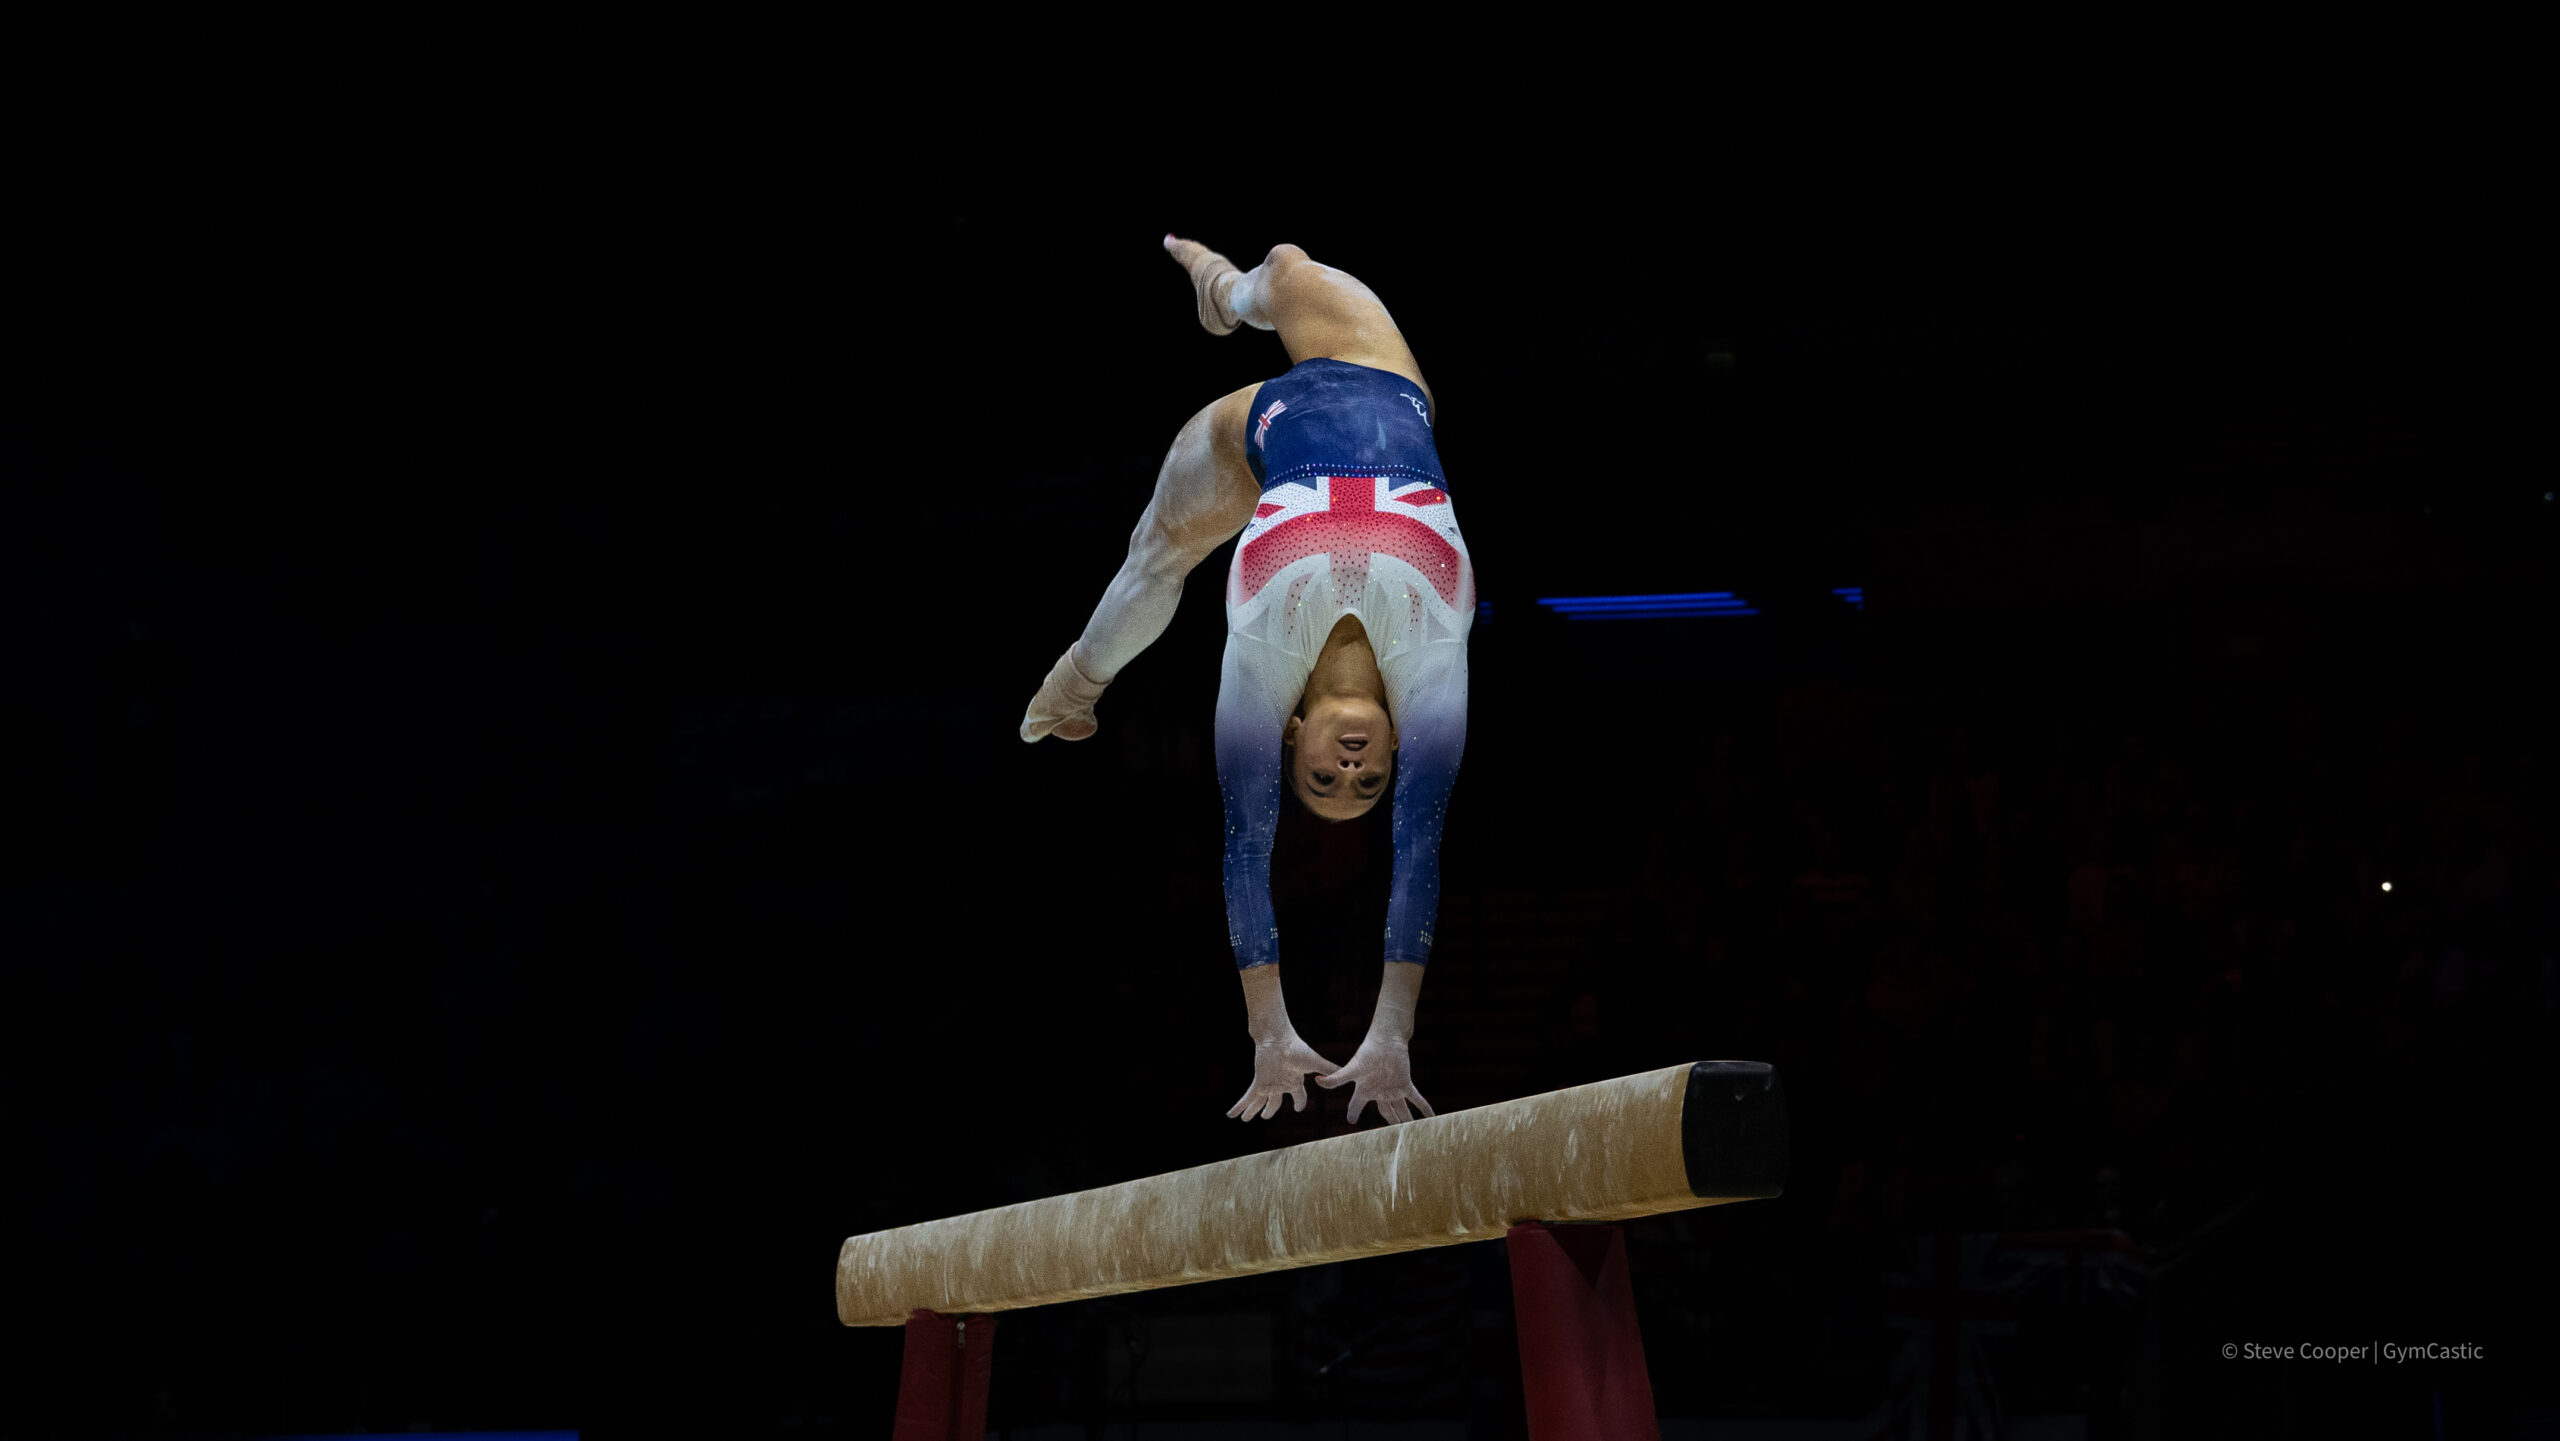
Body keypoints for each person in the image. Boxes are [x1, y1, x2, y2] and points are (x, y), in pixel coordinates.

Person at [1022, 237, 1474, 1128]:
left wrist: (1270, 1031)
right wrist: (1391, 1032)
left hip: (1257, 432)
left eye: (1324, 776)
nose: (1351, 767)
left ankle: (1073, 683)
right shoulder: (1431, 673)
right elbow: (1419, 846)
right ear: (1398, 743)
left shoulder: (1268, 658)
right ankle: (1228, 291)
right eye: (1367, 780)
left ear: (1290, 732)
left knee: (1159, 553)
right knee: (1289, 265)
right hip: (1379, 383)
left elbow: (1244, 843)